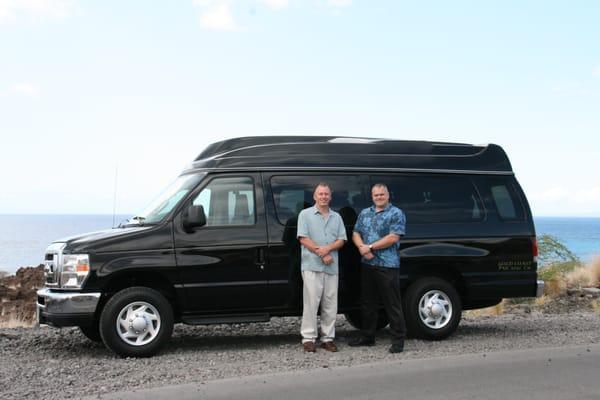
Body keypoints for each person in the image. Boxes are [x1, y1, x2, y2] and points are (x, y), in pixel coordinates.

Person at [350, 183, 407, 353]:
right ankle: (368, 337)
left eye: (382, 194)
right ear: (372, 196)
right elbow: (356, 233)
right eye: (376, 195)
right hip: (367, 264)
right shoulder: (365, 213)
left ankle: (398, 340)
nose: (379, 197)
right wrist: (362, 248)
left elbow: (393, 237)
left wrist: (371, 247)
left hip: (387, 265)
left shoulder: (396, 213)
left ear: (388, 195)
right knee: (368, 303)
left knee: (392, 303)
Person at [297, 183, 347, 352]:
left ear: (330, 197)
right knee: (311, 303)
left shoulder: (337, 217)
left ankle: (327, 338)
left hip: (331, 267)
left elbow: (341, 240)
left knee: (330, 303)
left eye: (326, 194)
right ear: (314, 196)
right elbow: (303, 238)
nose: (323, 196)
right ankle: (308, 338)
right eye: (320, 194)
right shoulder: (305, 215)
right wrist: (322, 252)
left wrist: (328, 249)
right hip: (312, 265)